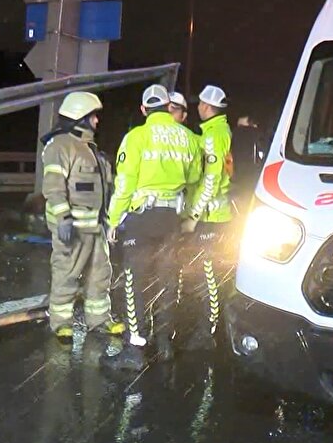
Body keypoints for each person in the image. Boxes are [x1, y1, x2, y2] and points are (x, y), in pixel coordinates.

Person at [104, 84, 202, 371]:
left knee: (134, 281)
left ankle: (134, 350)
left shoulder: (136, 137)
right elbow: (195, 176)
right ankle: (164, 343)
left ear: (144, 109)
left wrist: (113, 219)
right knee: (167, 279)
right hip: (171, 218)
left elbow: (124, 184)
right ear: (168, 107)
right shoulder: (188, 137)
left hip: (142, 219)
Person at [41, 92, 126, 343]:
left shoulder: (91, 149)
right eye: (93, 116)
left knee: (100, 275)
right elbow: (53, 186)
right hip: (73, 226)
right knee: (66, 274)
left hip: (96, 227)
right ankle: (61, 323)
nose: (97, 121)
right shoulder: (60, 146)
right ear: (79, 117)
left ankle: (99, 320)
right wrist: (63, 218)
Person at [177, 84, 234, 348]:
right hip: (217, 216)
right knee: (210, 272)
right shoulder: (216, 131)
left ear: (207, 107)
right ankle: (210, 327)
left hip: (211, 217)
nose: (196, 108)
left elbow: (210, 181)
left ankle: (208, 332)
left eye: (199, 104)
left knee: (210, 274)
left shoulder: (213, 136)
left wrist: (193, 216)